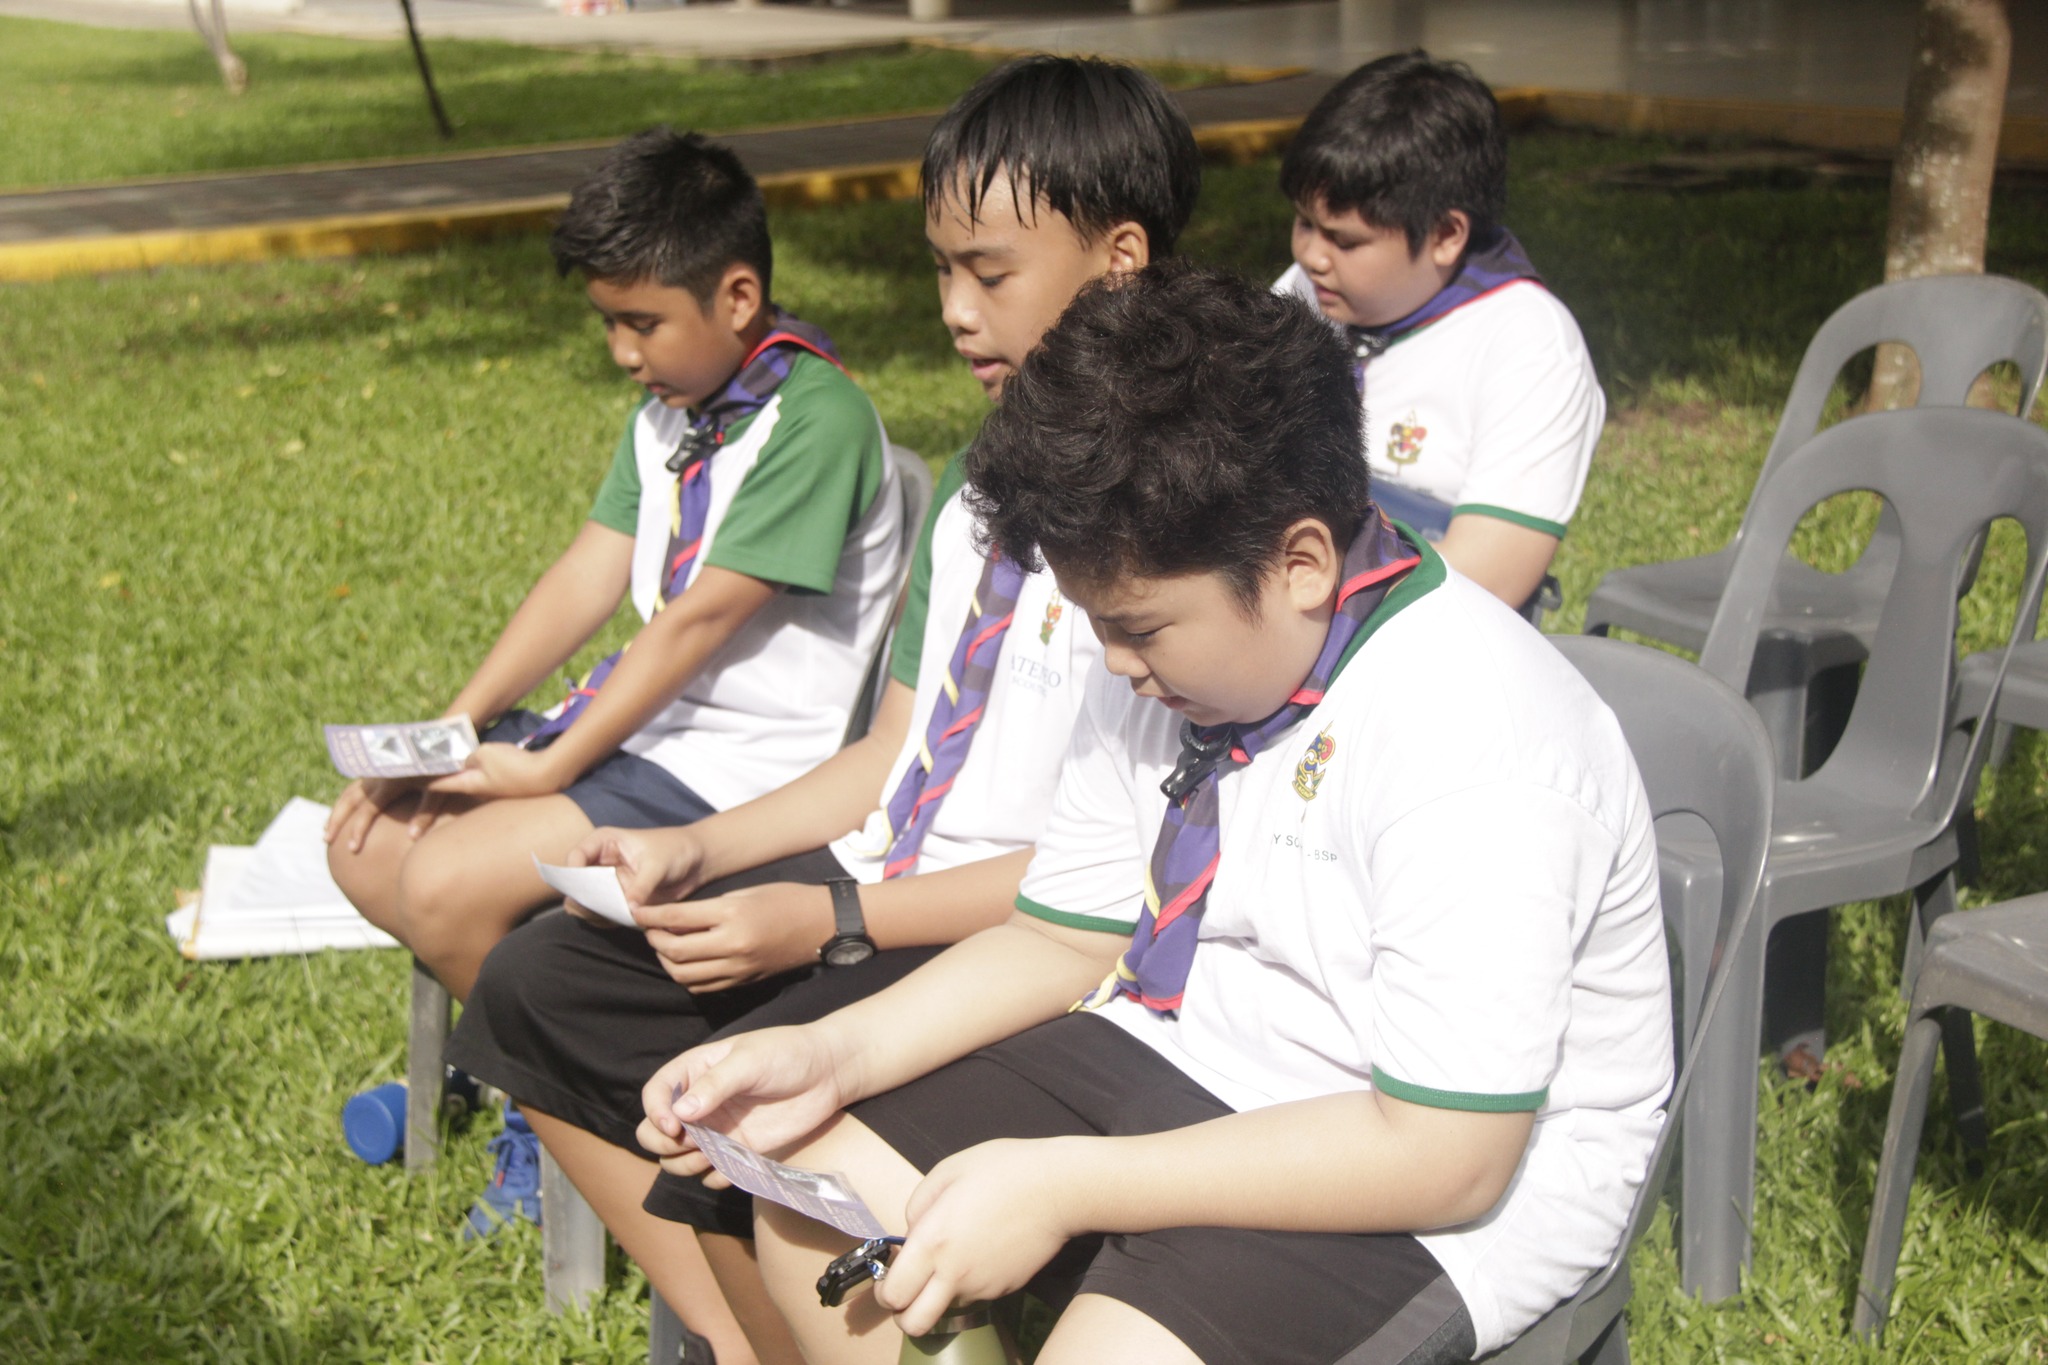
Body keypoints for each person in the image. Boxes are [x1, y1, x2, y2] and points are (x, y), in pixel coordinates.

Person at [637, 263, 1672, 1365]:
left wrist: (1065, 1185)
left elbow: (1446, 1152)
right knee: (812, 1195)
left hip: (1424, 1179)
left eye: (1136, 629)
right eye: (1097, 623)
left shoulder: (1473, 734)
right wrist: (829, 1054)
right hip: (1183, 1049)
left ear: (1302, 563)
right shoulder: (1169, 644)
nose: (1114, 663)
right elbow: (1063, 936)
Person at [444, 58, 1202, 1365]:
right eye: (941, 271)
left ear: (1119, 260)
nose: (954, 313)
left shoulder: (1172, 515)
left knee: (737, 1114)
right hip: (882, 884)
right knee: (536, 984)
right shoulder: (975, 484)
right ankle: (738, 1342)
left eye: (990, 273)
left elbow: (1116, 882)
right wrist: (700, 850)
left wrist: (825, 920)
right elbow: (890, 754)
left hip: (1014, 936)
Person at [322, 130, 905, 1003]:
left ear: (738, 297)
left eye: (644, 323)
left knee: (444, 882)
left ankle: (560, 1066)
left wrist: (551, 768)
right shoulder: (672, 413)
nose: (624, 353)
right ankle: (547, 1037)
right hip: (643, 730)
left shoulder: (819, 420)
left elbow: (700, 620)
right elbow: (586, 575)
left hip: (739, 766)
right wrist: (454, 728)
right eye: (608, 322)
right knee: (367, 843)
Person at [1275, 51, 1605, 615]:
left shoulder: (1530, 345)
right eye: (1304, 223)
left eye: (1344, 240)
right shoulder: (1308, 289)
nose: (1310, 255)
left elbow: (1486, 578)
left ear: (1446, 234)